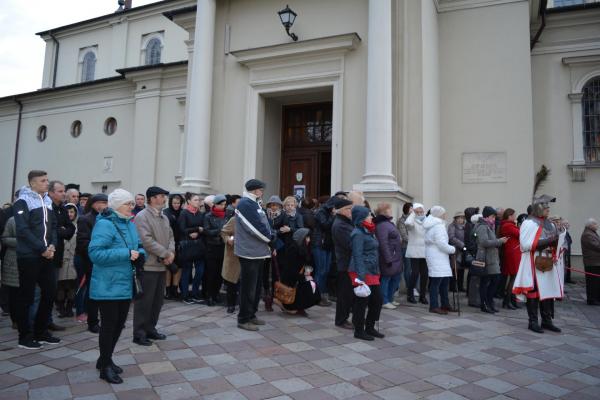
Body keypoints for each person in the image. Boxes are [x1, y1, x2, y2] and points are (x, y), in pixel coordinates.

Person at [89, 189, 145, 384]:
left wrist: (140, 253)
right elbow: (95, 254)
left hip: (125, 283)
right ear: (116, 205)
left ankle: (105, 358)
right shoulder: (105, 224)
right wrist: (126, 253)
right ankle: (105, 367)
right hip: (108, 284)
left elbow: (138, 245)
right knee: (109, 326)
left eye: (132, 203)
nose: (132, 207)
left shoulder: (129, 223)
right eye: (128, 204)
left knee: (119, 325)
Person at [13, 170, 60, 350]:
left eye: (47, 180)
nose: (47, 183)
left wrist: (52, 246)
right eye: (43, 180)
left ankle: (41, 332)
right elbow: (22, 230)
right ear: (32, 183)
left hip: (47, 254)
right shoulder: (23, 201)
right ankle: (24, 336)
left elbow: (53, 227)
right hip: (29, 256)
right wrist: (42, 248)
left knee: (49, 292)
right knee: (27, 296)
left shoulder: (47, 200)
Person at [513, 191, 563, 333]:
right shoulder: (529, 223)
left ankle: (547, 321)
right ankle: (533, 322)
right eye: (546, 207)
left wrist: (557, 243)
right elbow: (525, 244)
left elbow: (554, 241)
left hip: (547, 262)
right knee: (533, 293)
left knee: (547, 292)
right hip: (533, 263)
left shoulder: (549, 224)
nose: (548, 209)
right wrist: (550, 241)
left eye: (548, 207)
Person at [133, 186, 174, 346]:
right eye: (161, 196)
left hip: (163, 265)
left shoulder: (164, 217)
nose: (164, 199)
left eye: (164, 196)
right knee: (145, 302)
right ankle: (139, 333)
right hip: (149, 266)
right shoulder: (142, 217)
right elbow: (146, 240)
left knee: (157, 301)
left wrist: (171, 253)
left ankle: (151, 329)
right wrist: (165, 254)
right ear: (152, 198)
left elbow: (171, 236)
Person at [234, 179, 274, 331]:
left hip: (258, 252)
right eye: (261, 189)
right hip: (249, 252)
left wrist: (271, 235)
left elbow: (264, 224)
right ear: (256, 190)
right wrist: (271, 239)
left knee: (256, 287)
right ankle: (243, 319)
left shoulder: (255, 203)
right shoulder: (245, 204)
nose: (262, 192)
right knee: (248, 288)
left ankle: (252, 315)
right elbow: (254, 228)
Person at [349, 206, 384, 341]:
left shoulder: (369, 230)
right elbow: (357, 255)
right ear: (361, 218)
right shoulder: (357, 233)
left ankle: (370, 327)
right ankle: (359, 330)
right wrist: (361, 276)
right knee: (362, 301)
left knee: (377, 300)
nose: (371, 217)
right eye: (369, 215)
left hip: (372, 270)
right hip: (361, 271)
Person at [75, 194, 108, 332]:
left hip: (106, 260)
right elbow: (83, 243)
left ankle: (107, 319)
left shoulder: (109, 218)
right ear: (93, 204)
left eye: (106, 202)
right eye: (101, 202)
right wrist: (98, 253)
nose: (104, 205)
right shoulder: (85, 219)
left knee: (105, 292)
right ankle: (92, 321)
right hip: (90, 261)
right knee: (92, 292)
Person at [47, 180, 75, 331]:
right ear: (51, 193)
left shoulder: (63, 209)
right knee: (43, 291)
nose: (64, 194)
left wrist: (61, 230)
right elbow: (50, 230)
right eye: (60, 191)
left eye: (64, 191)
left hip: (58, 254)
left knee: (51, 289)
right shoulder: (46, 207)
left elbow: (70, 230)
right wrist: (60, 230)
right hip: (46, 254)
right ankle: (37, 323)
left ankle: (47, 320)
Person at [275, 228, 321, 315]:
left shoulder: (306, 249)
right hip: (293, 279)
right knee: (308, 287)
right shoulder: (293, 249)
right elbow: (290, 269)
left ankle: (299, 306)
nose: (309, 240)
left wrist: (308, 273)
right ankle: (291, 306)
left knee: (313, 288)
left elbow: (310, 264)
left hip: (301, 277)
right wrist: (303, 277)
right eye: (307, 238)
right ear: (301, 238)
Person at [423, 206, 456, 314]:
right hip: (437, 256)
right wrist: (452, 249)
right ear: (439, 214)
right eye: (443, 213)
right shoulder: (438, 226)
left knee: (444, 282)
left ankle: (445, 304)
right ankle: (434, 306)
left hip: (438, 256)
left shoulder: (435, 225)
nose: (445, 215)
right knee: (436, 283)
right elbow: (441, 243)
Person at [475, 206, 508, 314]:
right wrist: (499, 241)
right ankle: (484, 304)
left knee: (494, 280)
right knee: (487, 281)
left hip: (492, 258)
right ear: (486, 216)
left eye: (494, 216)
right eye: (492, 216)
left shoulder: (489, 226)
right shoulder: (482, 227)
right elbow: (484, 242)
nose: (494, 219)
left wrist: (498, 241)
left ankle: (489, 302)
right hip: (485, 258)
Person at [177, 192, 206, 304]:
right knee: (187, 271)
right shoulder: (184, 213)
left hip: (198, 245)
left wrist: (198, 232)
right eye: (195, 200)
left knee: (200, 271)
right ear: (189, 201)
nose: (198, 202)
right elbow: (182, 229)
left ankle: (195, 293)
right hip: (187, 245)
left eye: (199, 200)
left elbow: (203, 228)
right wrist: (194, 230)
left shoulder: (201, 213)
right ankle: (185, 295)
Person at [374, 203, 403, 310]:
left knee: (395, 278)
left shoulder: (388, 223)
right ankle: (384, 301)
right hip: (389, 256)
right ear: (384, 212)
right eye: (389, 209)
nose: (391, 210)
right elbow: (383, 243)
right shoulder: (382, 225)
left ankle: (390, 298)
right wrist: (388, 258)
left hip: (395, 256)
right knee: (386, 279)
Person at [332, 198, 355, 329]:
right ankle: (341, 320)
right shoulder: (340, 225)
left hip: (347, 263)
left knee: (347, 293)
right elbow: (349, 244)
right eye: (348, 209)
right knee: (344, 294)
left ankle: (344, 317)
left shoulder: (346, 222)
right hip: (344, 263)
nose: (351, 211)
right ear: (341, 211)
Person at [204, 194, 228, 306]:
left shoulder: (226, 216)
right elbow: (207, 231)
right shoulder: (208, 216)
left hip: (223, 247)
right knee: (211, 273)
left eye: (224, 205)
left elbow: (228, 229)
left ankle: (216, 294)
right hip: (211, 247)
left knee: (219, 273)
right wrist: (219, 230)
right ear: (215, 204)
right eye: (221, 204)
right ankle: (209, 296)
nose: (223, 207)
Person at [56, 203, 79, 318]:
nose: (70, 214)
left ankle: (69, 308)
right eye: (68, 212)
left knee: (71, 286)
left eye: (72, 212)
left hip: (73, 260)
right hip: (61, 259)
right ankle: (60, 308)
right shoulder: (59, 225)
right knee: (60, 286)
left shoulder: (78, 226)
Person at [312, 197, 336, 306]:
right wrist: (333, 215)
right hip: (319, 244)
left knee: (325, 270)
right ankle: (316, 296)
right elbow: (325, 225)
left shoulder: (329, 212)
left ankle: (322, 295)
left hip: (327, 244)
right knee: (320, 271)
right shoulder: (320, 212)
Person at [405, 203, 428, 304]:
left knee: (425, 274)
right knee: (414, 273)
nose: (420, 214)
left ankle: (422, 296)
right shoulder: (412, 221)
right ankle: (410, 294)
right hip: (414, 251)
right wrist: (413, 214)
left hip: (425, 251)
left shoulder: (427, 220)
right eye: (417, 212)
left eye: (421, 211)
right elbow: (408, 224)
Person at [162, 194, 184, 300]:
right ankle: (167, 289)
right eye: (174, 203)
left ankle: (175, 288)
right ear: (170, 202)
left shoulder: (183, 212)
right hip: (169, 242)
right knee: (169, 266)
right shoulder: (166, 212)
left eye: (178, 203)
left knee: (179, 266)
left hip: (180, 242)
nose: (176, 205)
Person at [499, 208, 521, 310]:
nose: (515, 217)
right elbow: (520, 234)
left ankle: (511, 300)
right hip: (512, 254)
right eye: (514, 215)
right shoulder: (508, 225)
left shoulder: (509, 225)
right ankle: (507, 301)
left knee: (514, 278)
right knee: (513, 277)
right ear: (509, 216)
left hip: (513, 253)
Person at [1, 215, 19, 327]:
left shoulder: (35, 219)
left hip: (30, 260)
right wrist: (22, 241)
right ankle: (15, 320)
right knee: (14, 293)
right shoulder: (12, 220)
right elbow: (5, 238)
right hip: (13, 260)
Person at [221, 215, 240, 313]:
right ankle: (231, 305)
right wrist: (228, 239)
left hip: (247, 256)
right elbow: (224, 232)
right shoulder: (234, 219)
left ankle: (244, 305)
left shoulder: (253, 218)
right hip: (234, 256)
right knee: (232, 283)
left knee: (245, 284)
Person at [396, 203, 412, 304]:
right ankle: (397, 288)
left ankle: (410, 288)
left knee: (409, 269)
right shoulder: (402, 220)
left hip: (412, 247)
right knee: (403, 269)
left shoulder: (414, 220)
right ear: (406, 209)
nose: (412, 210)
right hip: (405, 247)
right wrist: (414, 241)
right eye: (411, 208)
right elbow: (404, 235)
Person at [581, 218, 600, 306]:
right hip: (592, 262)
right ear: (590, 225)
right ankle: (592, 299)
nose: (597, 226)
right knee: (593, 282)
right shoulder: (587, 234)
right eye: (595, 224)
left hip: (595, 262)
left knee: (596, 282)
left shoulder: (591, 233)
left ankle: (596, 298)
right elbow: (596, 246)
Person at [447, 211, 466, 292]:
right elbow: (451, 238)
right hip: (455, 250)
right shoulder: (452, 226)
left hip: (463, 251)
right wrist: (461, 244)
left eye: (462, 218)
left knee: (462, 269)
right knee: (454, 269)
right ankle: (453, 287)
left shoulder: (465, 226)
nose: (460, 219)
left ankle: (460, 286)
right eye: (459, 218)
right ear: (455, 219)